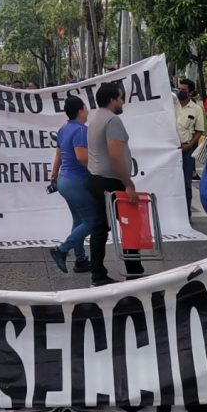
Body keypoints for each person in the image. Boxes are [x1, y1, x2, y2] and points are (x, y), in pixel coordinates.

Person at [85, 82, 142, 286]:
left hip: (95, 178)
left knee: (99, 228)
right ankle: (134, 271)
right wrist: (128, 184)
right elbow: (116, 155)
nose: (122, 101)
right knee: (130, 225)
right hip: (111, 181)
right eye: (121, 97)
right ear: (112, 99)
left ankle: (98, 275)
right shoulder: (112, 120)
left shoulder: (95, 117)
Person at [48, 95, 93, 274]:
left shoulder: (63, 129)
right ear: (80, 111)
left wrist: (54, 176)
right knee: (93, 221)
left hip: (63, 181)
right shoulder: (82, 130)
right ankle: (62, 250)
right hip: (77, 181)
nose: (88, 111)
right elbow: (82, 157)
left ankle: (81, 260)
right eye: (86, 108)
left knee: (79, 220)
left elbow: (58, 155)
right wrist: (98, 170)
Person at [175, 80, 206, 216]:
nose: (180, 92)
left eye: (184, 90)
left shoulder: (196, 109)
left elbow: (199, 130)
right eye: (179, 89)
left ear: (191, 92)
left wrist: (190, 145)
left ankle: (186, 214)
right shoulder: (171, 104)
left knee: (186, 183)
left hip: (186, 150)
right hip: (169, 150)